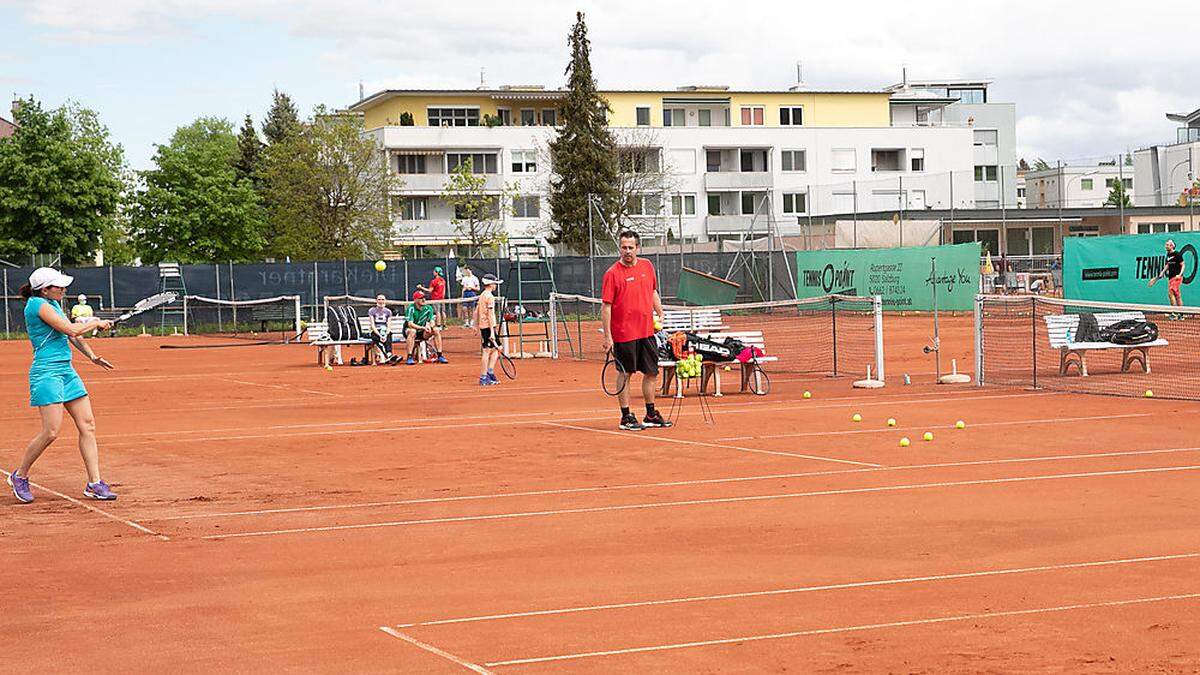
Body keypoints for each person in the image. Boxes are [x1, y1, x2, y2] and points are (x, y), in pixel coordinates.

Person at [8, 268, 117, 504]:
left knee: (87, 425)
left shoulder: (54, 304)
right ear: (44, 289)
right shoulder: (38, 305)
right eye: (58, 286)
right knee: (51, 431)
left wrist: (92, 356)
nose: (63, 289)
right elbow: (71, 329)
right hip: (46, 373)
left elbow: (73, 337)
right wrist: (96, 322)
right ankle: (20, 475)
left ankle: (94, 483)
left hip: (66, 371)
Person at [601, 230, 670, 431]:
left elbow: (652, 292)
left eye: (631, 247)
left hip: (647, 332)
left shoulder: (647, 266)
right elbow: (606, 307)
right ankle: (626, 416)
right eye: (624, 247)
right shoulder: (612, 274)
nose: (628, 251)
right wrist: (608, 337)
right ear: (619, 248)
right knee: (626, 373)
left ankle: (650, 414)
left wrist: (660, 312)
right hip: (623, 333)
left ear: (638, 248)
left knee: (651, 373)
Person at [473, 273, 503, 386]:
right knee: (487, 351)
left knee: (498, 348)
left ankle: (489, 373)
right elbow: (490, 315)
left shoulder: (482, 295)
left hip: (483, 326)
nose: (496, 285)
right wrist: (492, 332)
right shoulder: (489, 297)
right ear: (490, 284)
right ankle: (484, 376)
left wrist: (475, 326)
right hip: (488, 327)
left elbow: (476, 311)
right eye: (495, 283)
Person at [404, 291, 448, 365]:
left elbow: (431, 321)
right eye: (421, 298)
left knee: (436, 330)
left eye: (424, 298)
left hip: (423, 332)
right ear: (415, 300)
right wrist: (423, 327)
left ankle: (440, 355)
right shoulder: (411, 308)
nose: (423, 300)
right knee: (412, 331)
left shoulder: (428, 308)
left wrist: (430, 326)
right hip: (409, 330)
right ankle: (410, 356)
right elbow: (410, 324)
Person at [1155, 239, 1186, 318]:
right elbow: (1168, 265)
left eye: (1167, 245)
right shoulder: (1168, 254)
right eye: (1166, 245)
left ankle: (1174, 313)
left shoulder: (1177, 254)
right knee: (1177, 295)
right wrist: (1162, 272)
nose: (1166, 246)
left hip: (1177, 277)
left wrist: (1179, 274)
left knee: (1170, 293)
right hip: (1171, 277)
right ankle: (1181, 313)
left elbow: (1183, 265)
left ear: (1172, 246)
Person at [367, 294, 397, 364]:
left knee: (389, 335)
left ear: (385, 301)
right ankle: (389, 356)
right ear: (376, 301)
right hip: (375, 331)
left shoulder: (388, 311)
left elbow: (389, 325)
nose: (381, 301)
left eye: (382, 299)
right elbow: (372, 325)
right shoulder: (372, 310)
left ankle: (389, 354)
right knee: (378, 339)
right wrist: (380, 336)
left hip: (385, 331)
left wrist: (385, 335)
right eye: (379, 299)